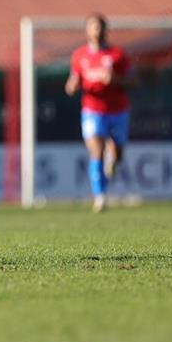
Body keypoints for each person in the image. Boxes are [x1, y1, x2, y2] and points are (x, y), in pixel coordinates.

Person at [64, 14, 133, 212]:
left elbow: (134, 81)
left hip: (118, 110)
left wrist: (115, 80)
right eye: (94, 27)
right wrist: (72, 87)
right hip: (92, 110)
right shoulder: (79, 56)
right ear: (87, 30)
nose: (97, 30)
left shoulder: (118, 55)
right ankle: (100, 196)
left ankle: (114, 161)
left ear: (106, 30)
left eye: (101, 27)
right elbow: (71, 84)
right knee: (97, 150)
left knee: (117, 153)